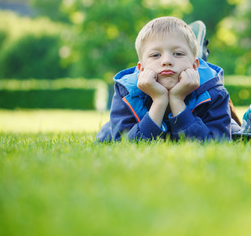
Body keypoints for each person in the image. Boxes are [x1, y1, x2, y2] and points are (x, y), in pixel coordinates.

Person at [96, 17, 232, 142]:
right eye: (155, 55)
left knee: (235, 130)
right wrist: (159, 101)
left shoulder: (214, 92)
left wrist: (177, 100)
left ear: (194, 65)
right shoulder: (126, 92)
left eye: (178, 54)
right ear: (141, 69)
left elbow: (217, 144)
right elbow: (125, 145)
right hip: (111, 131)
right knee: (106, 135)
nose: (167, 61)